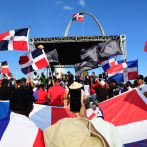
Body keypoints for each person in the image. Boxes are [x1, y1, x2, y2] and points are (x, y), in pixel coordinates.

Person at [44, 98, 109, 147]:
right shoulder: (108, 126)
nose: (68, 106)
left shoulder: (72, 126)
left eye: (69, 104)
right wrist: (84, 117)